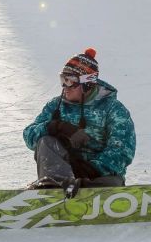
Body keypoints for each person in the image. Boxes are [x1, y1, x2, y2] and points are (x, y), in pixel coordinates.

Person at [23, 48, 135, 190]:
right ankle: (55, 189)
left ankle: (88, 192)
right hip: (64, 173)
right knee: (46, 141)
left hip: (99, 176)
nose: (65, 86)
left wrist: (91, 169)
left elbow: (123, 150)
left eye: (70, 81)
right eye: (63, 79)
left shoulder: (113, 109)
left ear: (87, 83)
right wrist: (56, 126)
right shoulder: (55, 106)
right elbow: (29, 136)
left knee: (106, 184)